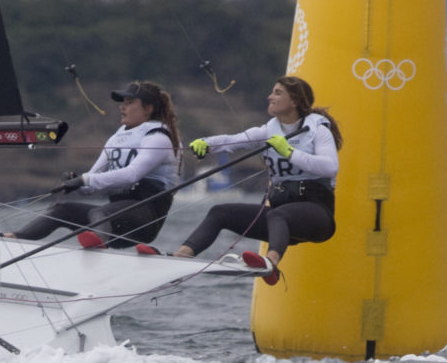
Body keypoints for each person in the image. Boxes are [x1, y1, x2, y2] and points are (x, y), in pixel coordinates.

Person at [138, 75, 342, 285]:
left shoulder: (318, 130)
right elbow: (232, 141)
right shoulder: (268, 131)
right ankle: (180, 259)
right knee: (220, 212)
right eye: (272, 92)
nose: (270, 97)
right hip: (281, 221)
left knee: (278, 215)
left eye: (278, 93)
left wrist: (289, 151)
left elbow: (330, 167)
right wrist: (206, 144)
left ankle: (271, 264)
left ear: (295, 101)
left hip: (318, 216)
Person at [0, 80, 182, 249]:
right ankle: (13, 237)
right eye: (122, 102)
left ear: (148, 108)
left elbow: (132, 174)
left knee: (101, 213)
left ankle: (98, 252)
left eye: (129, 103)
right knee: (63, 209)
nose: (122, 107)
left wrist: (85, 179)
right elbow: (91, 182)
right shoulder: (117, 138)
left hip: (145, 221)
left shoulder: (158, 138)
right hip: (115, 221)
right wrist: (77, 181)